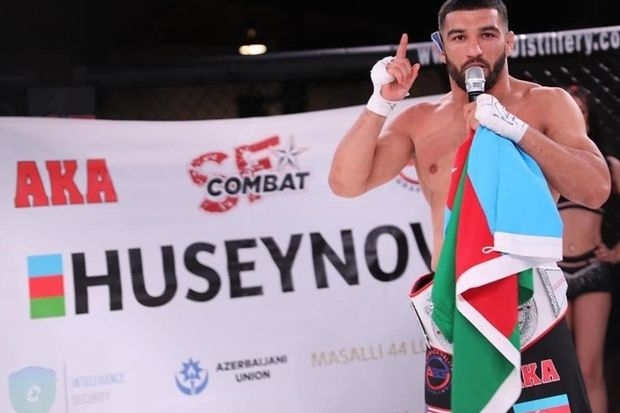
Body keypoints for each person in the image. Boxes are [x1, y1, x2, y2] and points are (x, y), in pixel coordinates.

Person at [328, 0, 611, 411]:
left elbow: (596, 189)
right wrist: (380, 102)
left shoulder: (546, 103)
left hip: (528, 302)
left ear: (509, 42)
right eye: (459, 37)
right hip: (453, 304)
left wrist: (519, 131)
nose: (474, 49)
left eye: (487, 34)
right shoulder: (420, 120)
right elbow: (345, 183)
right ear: (441, 47)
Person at [558, 84, 620, 413]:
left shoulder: (607, 165)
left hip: (592, 271)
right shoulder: (543, 160)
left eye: (581, 111)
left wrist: (617, 251)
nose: (575, 116)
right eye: (568, 110)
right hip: (553, 273)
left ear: (590, 118)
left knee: (589, 369)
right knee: (560, 372)